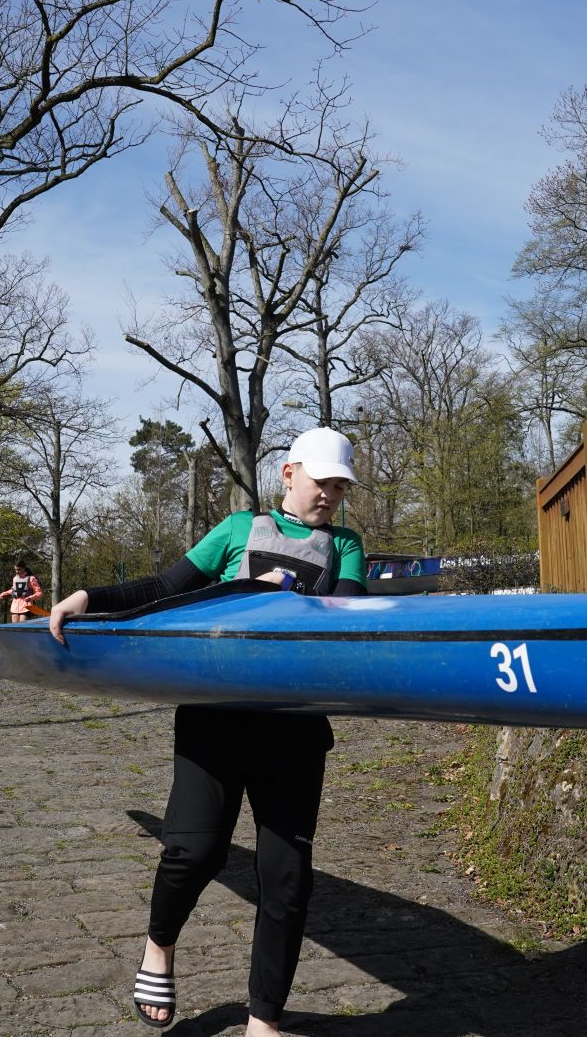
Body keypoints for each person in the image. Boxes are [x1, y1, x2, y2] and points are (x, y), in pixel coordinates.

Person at [50, 427, 367, 1036]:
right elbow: (164, 589)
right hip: (214, 721)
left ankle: (263, 1022)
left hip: (294, 732)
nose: (329, 495)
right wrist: (88, 597)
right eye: (321, 481)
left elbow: (345, 617)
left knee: (287, 879)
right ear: (289, 474)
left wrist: (282, 598)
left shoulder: (346, 545)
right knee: (194, 853)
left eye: (339, 486)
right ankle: (158, 947)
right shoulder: (237, 529)